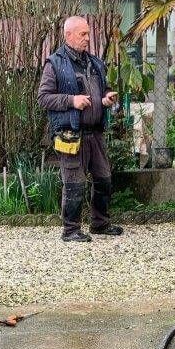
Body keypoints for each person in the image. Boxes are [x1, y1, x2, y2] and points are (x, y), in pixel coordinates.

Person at [37, 16, 122, 243]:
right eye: (82, 34)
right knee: (74, 183)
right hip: (70, 134)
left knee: (104, 179)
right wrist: (72, 100)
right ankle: (70, 230)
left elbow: (103, 89)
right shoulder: (54, 63)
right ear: (68, 36)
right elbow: (44, 98)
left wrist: (106, 98)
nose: (87, 38)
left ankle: (100, 224)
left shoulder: (94, 62)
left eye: (87, 33)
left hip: (95, 132)